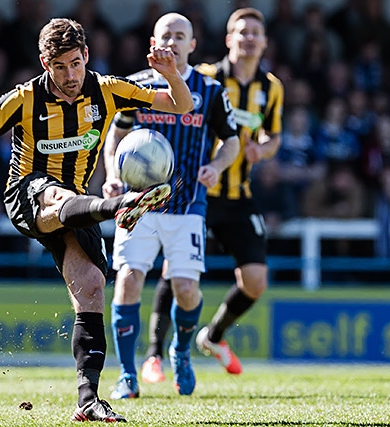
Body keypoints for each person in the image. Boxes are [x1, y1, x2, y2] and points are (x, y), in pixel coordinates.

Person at [0, 17, 192, 423]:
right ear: (45, 63)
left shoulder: (108, 89)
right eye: (60, 66)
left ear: (87, 58)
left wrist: (171, 75)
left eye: (76, 64)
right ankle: (118, 208)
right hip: (30, 196)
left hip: (78, 205)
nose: (71, 75)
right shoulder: (22, 99)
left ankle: (88, 399)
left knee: (92, 287)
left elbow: (181, 105)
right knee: (57, 192)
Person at [141, 7, 284, 382]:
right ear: (228, 39)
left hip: (237, 195)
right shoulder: (206, 78)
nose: (249, 37)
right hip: (197, 191)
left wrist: (262, 150)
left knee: (255, 280)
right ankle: (155, 354)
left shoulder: (271, 88)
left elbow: (274, 136)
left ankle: (213, 336)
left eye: (256, 31)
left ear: (264, 41)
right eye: (242, 31)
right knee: (176, 270)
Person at [102, 13, 239, 399]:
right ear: (153, 43)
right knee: (128, 280)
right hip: (138, 204)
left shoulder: (210, 91)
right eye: (167, 36)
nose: (174, 42)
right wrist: (112, 174)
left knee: (186, 288)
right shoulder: (137, 87)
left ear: (193, 45)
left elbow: (231, 141)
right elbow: (117, 137)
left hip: (187, 204)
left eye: (181, 37)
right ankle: (127, 374)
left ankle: (180, 350)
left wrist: (216, 165)